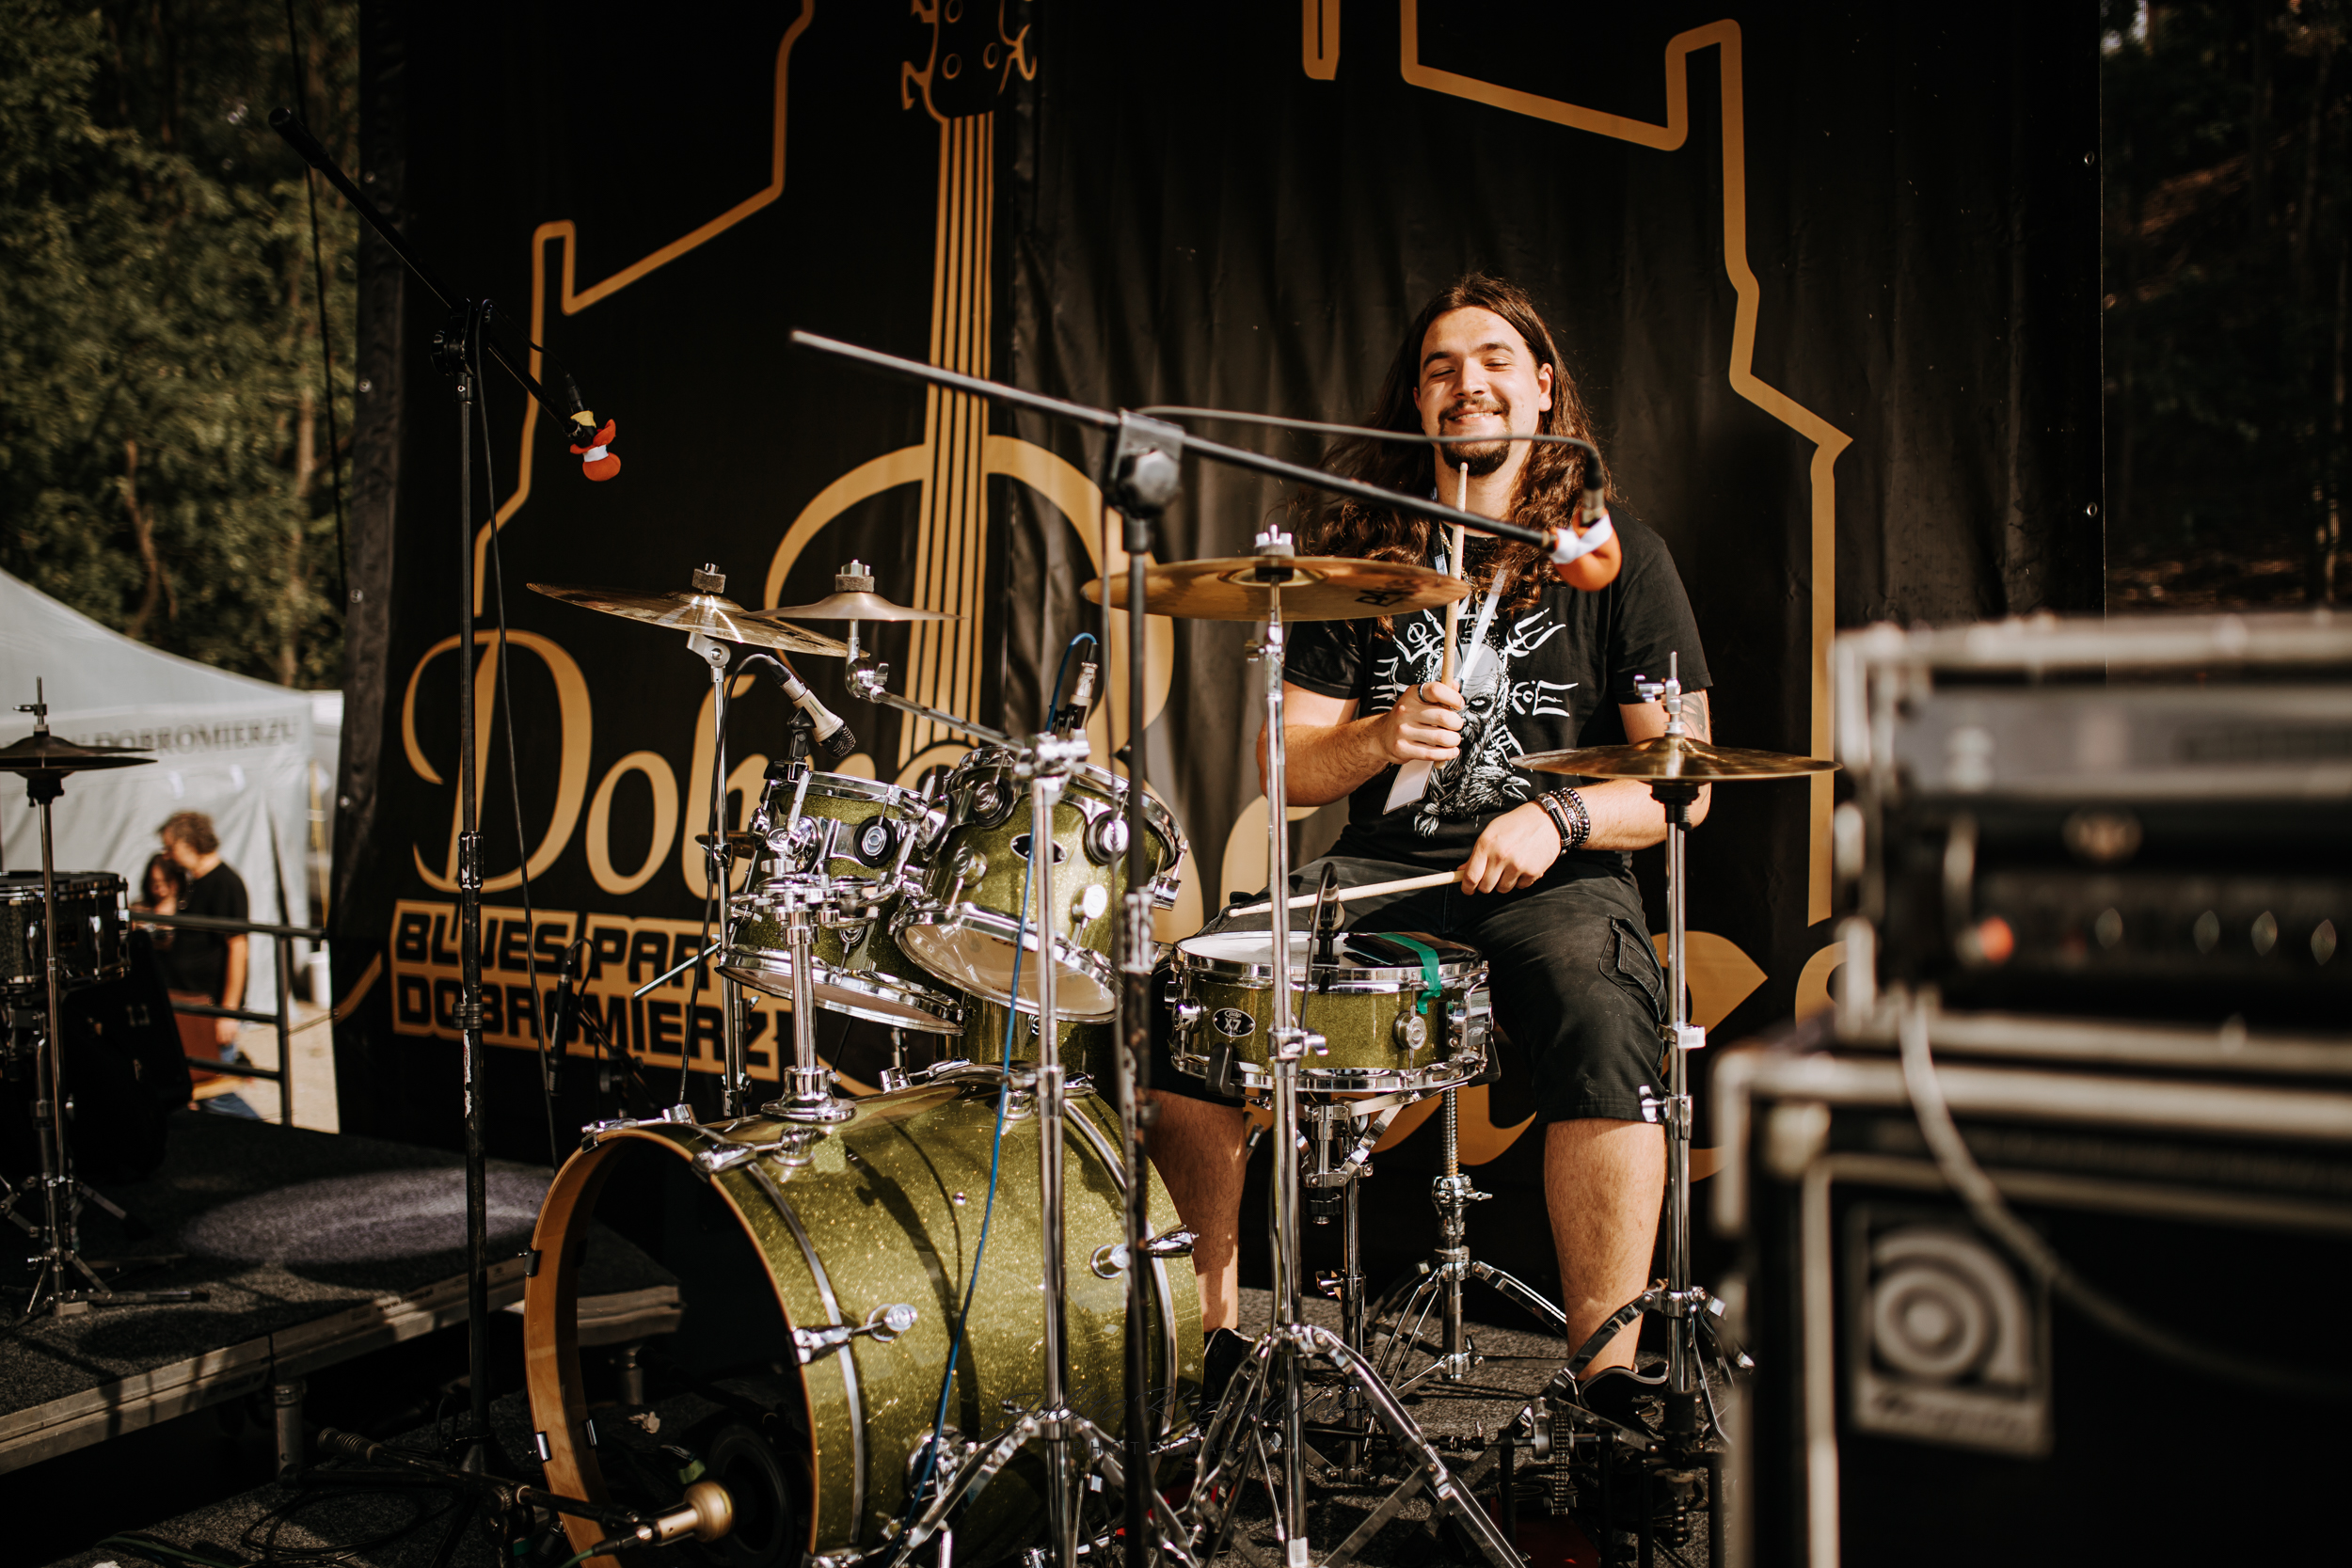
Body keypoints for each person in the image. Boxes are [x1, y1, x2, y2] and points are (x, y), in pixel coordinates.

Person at [1147, 274, 1714, 1420]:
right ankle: (1206, 1346)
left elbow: (1685, 784)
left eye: (1495, 358)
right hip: (1382, 868)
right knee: (1192, 994)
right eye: (1441, 367)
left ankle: (1604, 1373)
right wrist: (1378, 735)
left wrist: (1555, 817)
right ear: (1417, 401)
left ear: (1543, 386)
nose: (1469, 382)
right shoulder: (1362, 557)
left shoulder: (1618, 556)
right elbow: (1286, 766)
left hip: (1558, 872)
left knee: (1605, 1017)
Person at [156, 811, 249, 1089]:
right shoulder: (192, 883)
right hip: (190, 1004)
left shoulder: (225, 883)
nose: (167, 855)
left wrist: (229, 1012)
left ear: (189, 844)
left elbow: (238, 947)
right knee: (194, 1086)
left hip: (210, 1007)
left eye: (170, 847)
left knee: (217, 1091)